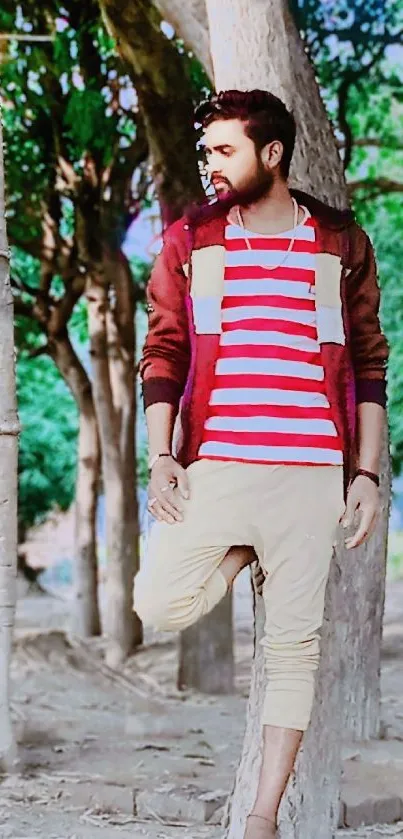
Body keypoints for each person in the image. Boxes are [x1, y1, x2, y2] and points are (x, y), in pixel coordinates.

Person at [134, 89, 388, 838]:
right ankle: (243, 547)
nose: (209, 165)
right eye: (205, 150)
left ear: (270, 153)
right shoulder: (194, 240)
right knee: (159, 602)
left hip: (311, 476)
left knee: (292, 651)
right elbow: (165, 350)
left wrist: (368, 474)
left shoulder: (337, 241)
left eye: (223, 150)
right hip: (219, 466)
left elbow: (370, 365)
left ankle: (260, 816)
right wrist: (159, 456)